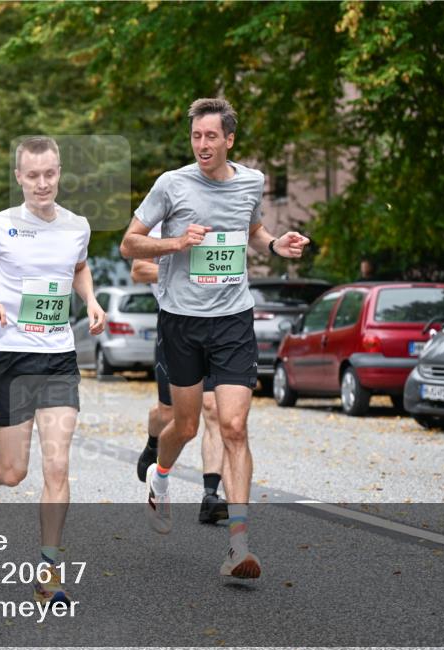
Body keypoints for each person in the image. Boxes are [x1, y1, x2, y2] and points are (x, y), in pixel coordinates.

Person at [120, 98, 309, 580]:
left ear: (229, 140)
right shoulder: (171, 184)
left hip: (232, 319)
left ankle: (239, 545)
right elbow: (129, 243)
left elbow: (252, 228)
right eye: (196, 136)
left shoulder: (252, 181)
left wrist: (273, 244)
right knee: (183, 427)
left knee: (233, 426)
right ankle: (160, 480)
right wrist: (176, 242)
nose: (202, 144)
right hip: (181, 321)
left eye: (211, 136)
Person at [0, 136, 106, 605]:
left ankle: (49, 572)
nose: (42, 183)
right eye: (32, 175)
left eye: (49, 173)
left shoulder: (77, 225)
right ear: (19, 177)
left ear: (59, 172)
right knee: (16, 471)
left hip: (57, 357)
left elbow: (78, 267)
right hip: (10, 358)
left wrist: (90, 299)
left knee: (58, 464)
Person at [131, 223, 228, 524]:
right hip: (176, 328)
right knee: (168, 413)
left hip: (218, 325)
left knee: (212, 409)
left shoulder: (224, 221)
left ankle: (210, 495)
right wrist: (182, 273)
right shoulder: (163, 225)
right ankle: (153, 443)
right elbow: (138, 270)